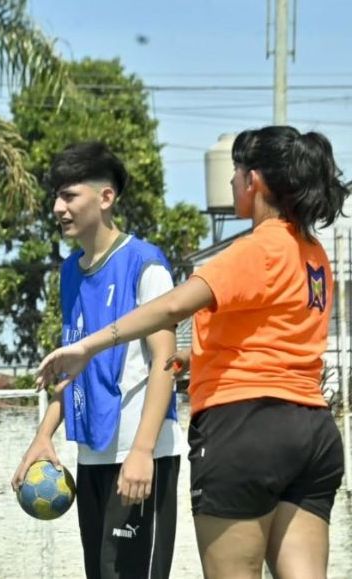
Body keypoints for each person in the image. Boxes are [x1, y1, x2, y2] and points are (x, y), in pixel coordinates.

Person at [36, 126, 349, 579]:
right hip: (312, 432)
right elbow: (279, 340)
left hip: (246, 430)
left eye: (237, 172)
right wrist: (198, 361)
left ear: (255, 181)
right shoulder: (314, 254)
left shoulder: (258, 247)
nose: (232, 181)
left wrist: (89, 344)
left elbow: (173, 306)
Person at [11, 141, 182, 579]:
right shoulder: (70, 271)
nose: (57, 207)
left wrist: (142, 451)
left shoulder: (146, 264)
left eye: (69, 195)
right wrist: (43, 436)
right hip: (92, 454)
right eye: (56, 197)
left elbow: (166, 361)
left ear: (105, 198)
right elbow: (71, 365)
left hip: (139, 453)